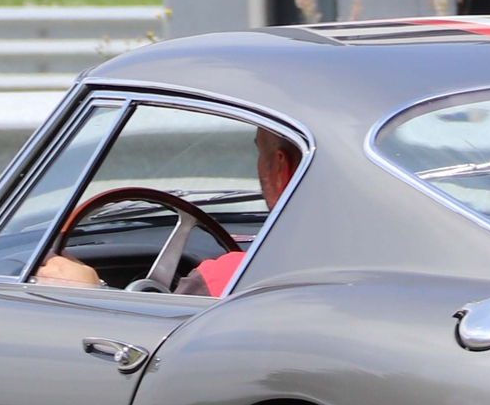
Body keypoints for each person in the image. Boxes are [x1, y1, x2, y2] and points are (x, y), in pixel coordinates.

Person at [37, 126, 300, 294]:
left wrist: (92, 293)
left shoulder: (231, 281)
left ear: (280, 168)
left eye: (260, 152)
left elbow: (153, 357)